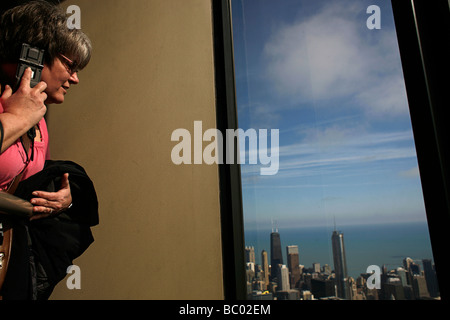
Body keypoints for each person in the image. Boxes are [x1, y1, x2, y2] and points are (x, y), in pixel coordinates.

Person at [0, 1, 96, 300]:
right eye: (69, 65)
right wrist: (15, 119)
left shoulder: (38, 121)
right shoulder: (21, 113)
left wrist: (61, 200)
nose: (75, 78)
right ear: (35, 56)